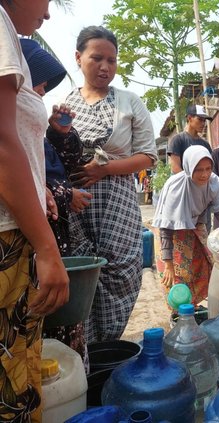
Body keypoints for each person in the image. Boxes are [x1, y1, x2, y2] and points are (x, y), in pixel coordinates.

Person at [64, 26, 158, 343]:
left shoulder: (130, 102)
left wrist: (103, 169)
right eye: (97, 58)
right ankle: (87, 350)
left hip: (117, 203)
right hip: (76, 207)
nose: (105, 67)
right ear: (78, 58)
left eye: (112, 60)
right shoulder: (65, 107)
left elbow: (148, 156)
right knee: (82, 275)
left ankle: (109, 343)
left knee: (122, 274)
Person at [0, 1, 69, 421]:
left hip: (16, 223)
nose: (46, 15)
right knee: (13, 383)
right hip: (7, 237)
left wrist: (35, 185)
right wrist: (47, 248)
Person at [20, 38, 93, 368]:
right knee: (49, 322)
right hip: (39, 243)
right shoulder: (14, 133)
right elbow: (28, 182)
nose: (42, 93)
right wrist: (67, 196)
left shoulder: (36, 131)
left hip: (58, 239)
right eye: (39, 84)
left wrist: (61, 133)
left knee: (66, 320)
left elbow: (69, 161)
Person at [152, 145, 219, 306]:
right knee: (178, 277)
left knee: (205, 266)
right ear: (188, 168)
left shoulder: (213, 181)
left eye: (208, 168)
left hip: (196, 226)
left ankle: (194, 308)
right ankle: (179, 315)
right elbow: (166, 228)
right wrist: (169, 264)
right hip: (172, 233)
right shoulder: (176, 187)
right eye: (199, 170)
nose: (205, 174)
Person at [167, 104, 212, 174]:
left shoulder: (205, 144)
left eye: (204, 120)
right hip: (183, 183)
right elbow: (175, 169)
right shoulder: (178, 140)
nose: (203, 123)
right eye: (200, 119)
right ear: (189, 118)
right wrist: (190, 183)